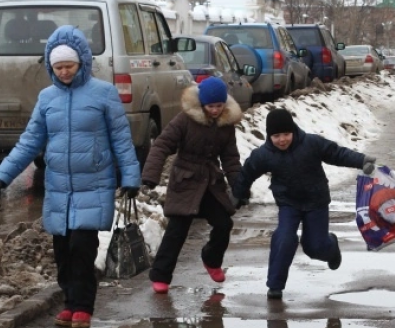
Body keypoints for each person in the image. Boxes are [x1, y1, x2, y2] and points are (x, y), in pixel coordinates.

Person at [0, 25, 141, 328]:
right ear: (50, 67)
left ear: (82, 62)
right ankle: (70, 301)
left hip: (93, 184)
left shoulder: (104, 94)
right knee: (62, 250)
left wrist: (130, 177)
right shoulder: (47, 99)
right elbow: (30, 141)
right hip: (59, 188)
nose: (64, 72)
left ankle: (83, 306)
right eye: (57, 67)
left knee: (82, 248)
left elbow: (121, 140)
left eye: (69, 66)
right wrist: (4, 174)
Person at [231, 108, 375, 300]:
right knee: (284, 238)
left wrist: (362, 160)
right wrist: (239, 195)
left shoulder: (311, 143)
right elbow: (248, 172)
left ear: (293, 131)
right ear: (269, 136)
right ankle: (275, 286)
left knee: (314, 247)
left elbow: (337, 153)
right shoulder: (264, 154)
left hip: (316, 202)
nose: (282, 139)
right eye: (276, 136)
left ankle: (331, 247)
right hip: (288, 204)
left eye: (286, 134)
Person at [141, 76, 243, 294]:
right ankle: (160, 275)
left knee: (224, 224)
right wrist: (151, 175)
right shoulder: (184, 120)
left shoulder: (226, 126)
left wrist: (239, 186)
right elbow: (161, 146)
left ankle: (211, 259)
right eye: (210, 106)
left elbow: (231, 159)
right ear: (201, 104)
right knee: (177, 231)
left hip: (210, 184)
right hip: (185, 181)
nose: (215, 110)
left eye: (219, 105)